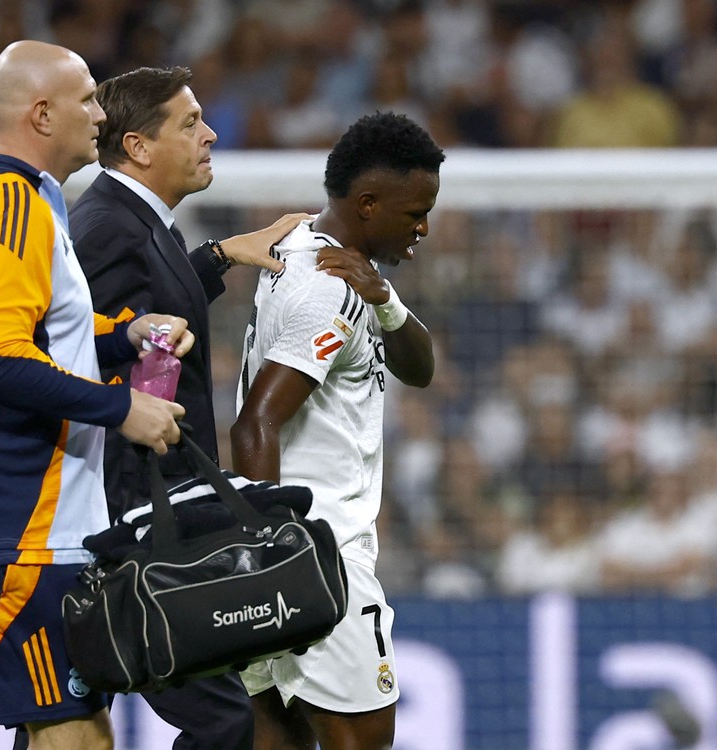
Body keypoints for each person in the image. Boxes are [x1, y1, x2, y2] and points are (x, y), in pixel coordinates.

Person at [0, 41, 193, 750]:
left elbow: (40, 337)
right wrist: (124, 407)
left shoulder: (31, 201)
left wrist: (125, 337)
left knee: (61, 732)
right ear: (41, 114)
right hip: (11, 526)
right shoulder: (8, 204)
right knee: (80, 737)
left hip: (29, 526)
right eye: (88, 99)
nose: (100, 114)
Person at [68, 64, 306, 750]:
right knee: (223, 721)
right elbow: (96, 353)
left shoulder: (136, 220)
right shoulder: (107, 226)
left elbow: (147, 323)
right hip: (135, 518)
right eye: (190, 122)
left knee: (68, 723)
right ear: (139, 147)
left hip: (141, 512)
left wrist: (222, 255)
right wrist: (135, 524)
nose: (210, 135)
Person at [231, 111, 444, 749]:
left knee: (280, 738)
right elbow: (253, 426)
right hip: (320, 557)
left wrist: (386, 301)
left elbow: (422, 368)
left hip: (286, 552)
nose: (423, 227)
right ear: (368, 204)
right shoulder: (331, 290)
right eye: (415, 212)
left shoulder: (305, 253)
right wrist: (275, 556)